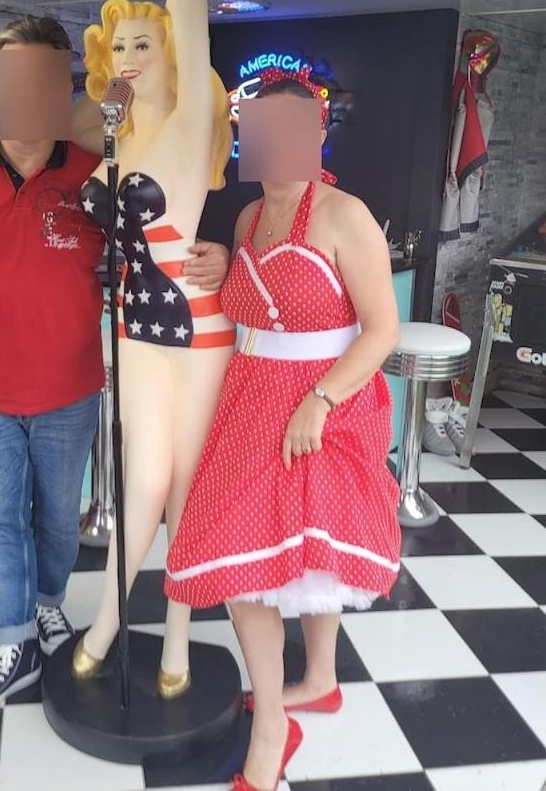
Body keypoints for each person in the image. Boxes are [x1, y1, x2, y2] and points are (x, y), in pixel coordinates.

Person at [0, 14, 230, 719]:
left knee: (56, 522)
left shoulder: (91, 168)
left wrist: (219, 254)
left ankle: (48, 604)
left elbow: (164, 221)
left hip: (72, 389)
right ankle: (12, 642)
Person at [164, 69, 402, 790]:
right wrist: (225, 263)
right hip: (250, 402)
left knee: (300, 553)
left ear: (317, 135)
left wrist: (320, 402)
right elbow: (259, 303)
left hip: (323, 407)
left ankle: (286, 713)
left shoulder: (345, 216)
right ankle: (298, 695)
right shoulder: (245, 219)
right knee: (249, 555)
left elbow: (382, 330)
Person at [72, 0, 235, 698]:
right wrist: (110, 101)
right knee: (143, 476)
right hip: (132, 324)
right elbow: (78, 131)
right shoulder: (118, 133)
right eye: (118, 46)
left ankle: (177, 632)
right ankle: (109, 622)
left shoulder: (189, 122)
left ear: (171, 52)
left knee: (186, 485)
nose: (128, 57)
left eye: (143, 44)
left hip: (197, 325)